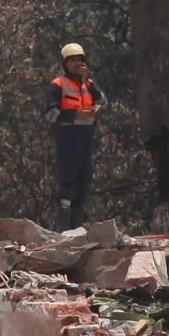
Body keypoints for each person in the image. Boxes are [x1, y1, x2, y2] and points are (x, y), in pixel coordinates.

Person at [46, 43, 106, 230]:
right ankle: (65, 231)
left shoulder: (88, 84)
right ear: (64, 63)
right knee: (68, 183)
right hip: (68, 138)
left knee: (83, 181)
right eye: (72, 61)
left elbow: (103, 101)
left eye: (79, 60)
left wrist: (88, 81)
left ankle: (78, 231)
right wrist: (74, 115)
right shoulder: (58, 85)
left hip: (86, 138)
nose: (76, 64)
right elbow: (50, 114)